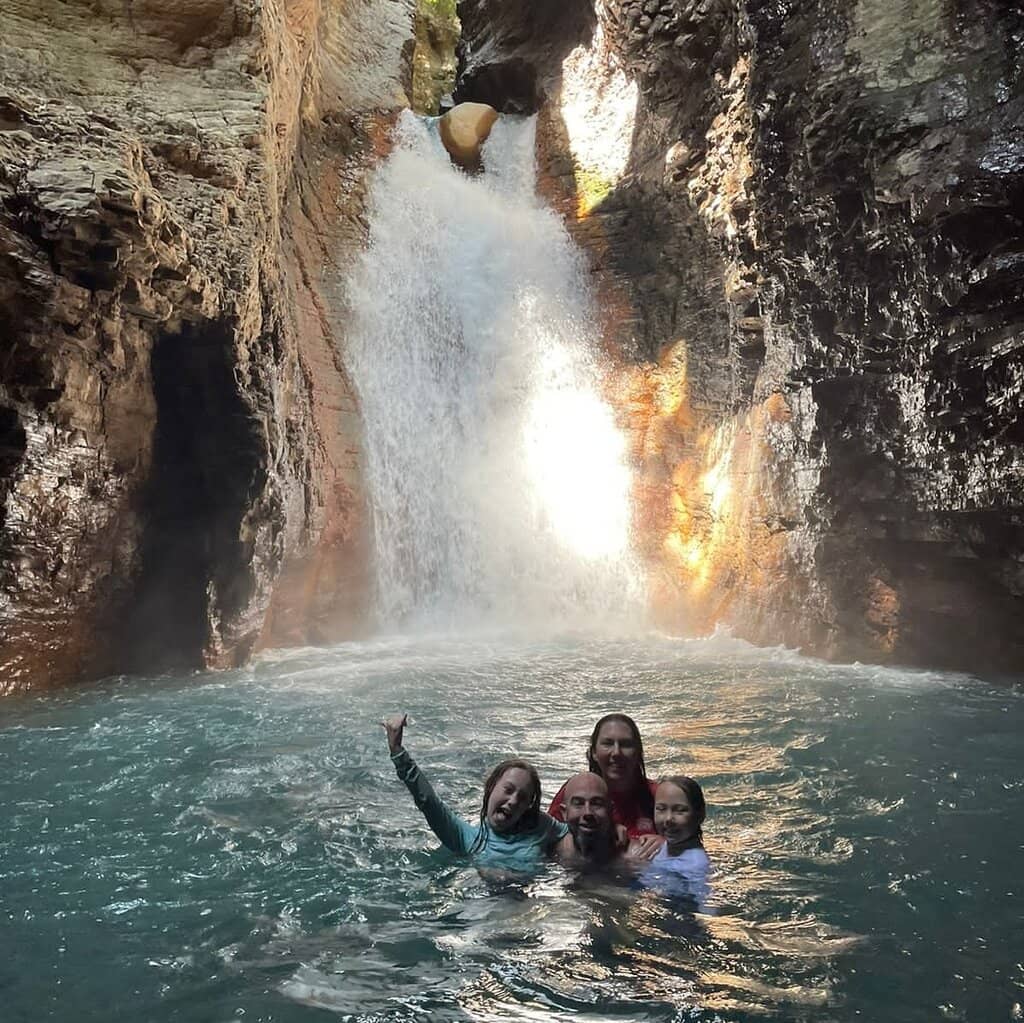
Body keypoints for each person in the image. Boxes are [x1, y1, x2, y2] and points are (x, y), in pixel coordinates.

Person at [383, 713, 568, 873]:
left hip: (530, 908)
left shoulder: (541, 827)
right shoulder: (466, 837)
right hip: (480, 906)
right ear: (491, 787)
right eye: (508, 790)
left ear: (528, 807)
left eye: (522, 797)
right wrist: (398, 751)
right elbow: (428, 801)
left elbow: (582, 829)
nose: (513, 801)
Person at [549, 714, 661, 853]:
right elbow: (545, 838)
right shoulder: (575, 790)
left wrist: (669, 844)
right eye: (607, 743)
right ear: (594, 752)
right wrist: (601, 831)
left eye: (626, 744)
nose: (616, 753)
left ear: (638, 752)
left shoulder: (658, 795)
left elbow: (691, 842)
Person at [638, 775, 712, 911]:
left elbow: (706, 907)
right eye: (661, 809)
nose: (668, 819)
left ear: (700, 815)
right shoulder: (664, 846)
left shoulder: (694, 865)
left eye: (680, 810)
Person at [553, 772, 628, 871]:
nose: (588, 813)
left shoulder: (637, 855)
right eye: (578, 804)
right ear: (564, 813)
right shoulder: (550, 849)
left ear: (610, 811)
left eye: (597, 804)